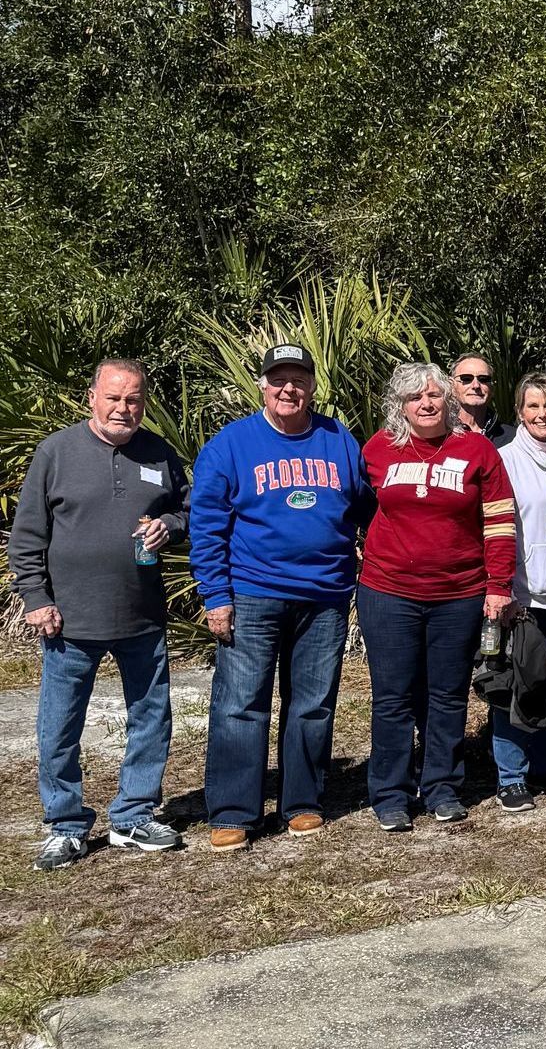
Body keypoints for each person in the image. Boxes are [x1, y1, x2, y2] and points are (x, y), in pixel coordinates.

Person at [190, 344, 375, 852]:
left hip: (325, 595)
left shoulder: (339, 440)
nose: (288, 388)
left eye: (298, 379)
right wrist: (216, 596)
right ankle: (233, 810)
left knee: (312, 704)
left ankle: (302, 800)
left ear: (313, 386)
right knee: (240, 704)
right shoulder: (231, 445)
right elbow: (207, 526)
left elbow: (367, 510)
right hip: (252, 593)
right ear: (263, 386)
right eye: (278, 379)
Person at [13, 359, 188, 871]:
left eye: (133, 399)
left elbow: (189, 509)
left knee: (150, 718)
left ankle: (133, 816)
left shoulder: (158, 451)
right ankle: (65, 824)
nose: (123, 408)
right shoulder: (57, 452)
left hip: (141, 615)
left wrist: (168, 527)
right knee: (59, 726)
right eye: (114, 397)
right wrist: (35, 598)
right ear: (92, 397)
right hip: (69, 619)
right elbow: (27, 537)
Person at [358, 362, 516, 830]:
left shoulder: (477, 449)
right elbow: (359, 509)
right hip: (388, 593)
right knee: (392, 697)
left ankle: (442, 787)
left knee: (447, 696)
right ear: (400, 405)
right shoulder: (378, 449)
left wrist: (498, 585)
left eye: (434, 396)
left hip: (459, 594)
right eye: (415, 397)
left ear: (449, 401)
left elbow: (500, 522)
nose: (426, 404)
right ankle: (390, 793)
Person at [492, 372, 546, 811]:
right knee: (516, 683)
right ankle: (510, 775)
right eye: (533, 406)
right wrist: (502, 588)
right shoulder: (503, 460)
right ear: (519, 412)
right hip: (520, 593)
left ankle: (544, 767)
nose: (542, 415)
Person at [450, 353, 511, 445]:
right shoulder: (439, 434)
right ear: (452, 386)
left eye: (483, 379)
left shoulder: (511, 439)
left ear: (492, 388)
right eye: (466, 378)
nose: (476, 386)